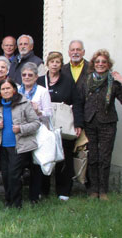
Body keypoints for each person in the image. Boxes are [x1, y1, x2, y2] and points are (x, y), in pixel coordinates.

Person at [81, 49, 122, 200]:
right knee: (93, 157)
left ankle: (103, 191)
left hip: (108, 123)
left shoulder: (113, 82)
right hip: (90, 122)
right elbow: (80, 101)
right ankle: (93, 189)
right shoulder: (86, 81)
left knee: (104, 158)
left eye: (103, 62)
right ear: (93, 64)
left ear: (108, 65)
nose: (100, 64)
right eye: (97, 62)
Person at [36, 51, 83, 201]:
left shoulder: (68, 81)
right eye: (52, 62)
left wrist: (78, 123)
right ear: (47, 64)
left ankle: (63, 191)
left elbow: (77, 103)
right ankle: (43, 189)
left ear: (60, 64)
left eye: (57, 62)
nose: (54, 64)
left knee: (65, 156)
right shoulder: (40, 80)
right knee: (44, 154)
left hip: (63, 124)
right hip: (44, 124)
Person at [0, 78, 40, 208]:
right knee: (5, 175)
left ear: (14, 90)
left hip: (19, 146)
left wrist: (21, 128)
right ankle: (8, 201)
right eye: (3, 89)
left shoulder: (24, 103)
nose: (6, 91)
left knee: (14, 175)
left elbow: (36, 123)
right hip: (2, 146)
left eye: (8, 88)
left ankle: (16, 204)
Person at [18, 62, 52, 203]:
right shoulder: (18, 90)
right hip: (21, 132)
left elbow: (49, 113)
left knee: (36, 164)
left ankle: (35, 195)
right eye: (24, 75)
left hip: (38, 132)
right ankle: (18, 194)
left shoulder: (42, 91)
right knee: (20, 163)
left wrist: (38, 111)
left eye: (30, 75)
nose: (26, 77)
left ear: (36, 77)